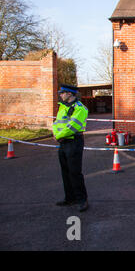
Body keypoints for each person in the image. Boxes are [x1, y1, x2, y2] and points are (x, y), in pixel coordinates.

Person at [52, 84, 89, 212]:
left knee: (75, 172)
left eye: (62, 93)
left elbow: (72, 127)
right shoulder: (62, 107)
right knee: (65, 172)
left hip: (74, 142)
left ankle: (82, 200)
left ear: (69, 94)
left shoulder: (80, 108)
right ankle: (70, 198)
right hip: (63, 143)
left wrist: (58, 136)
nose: (60, 95)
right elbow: (57, 123)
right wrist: (56, 134)